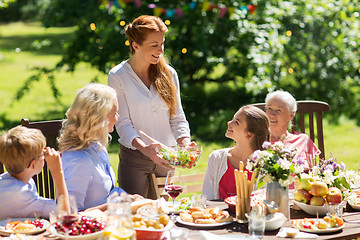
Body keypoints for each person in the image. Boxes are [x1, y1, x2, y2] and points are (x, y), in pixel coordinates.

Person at [108, 15, 193, 198]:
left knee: (164, 214)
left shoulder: (169, 74)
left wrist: (185, 144)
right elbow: (122, 124)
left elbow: (177, 116)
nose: (160, 50)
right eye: (154, 45)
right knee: (135, 214)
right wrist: (146, 150)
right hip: (134, 158)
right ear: (135, 46)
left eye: (162, 44)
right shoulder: (118, 76)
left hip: (166, 156)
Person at [58, 83, 127, 211]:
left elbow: (110, 191)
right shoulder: (79, 160)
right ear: (99, 118)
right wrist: (119, 204)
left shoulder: (96, 146)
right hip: (94, 228)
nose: (117, 118)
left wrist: (128, 198)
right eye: (115, 112)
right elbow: (71, 214)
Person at [0, 126, 69, 220]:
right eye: (42, 154)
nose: (45, 156)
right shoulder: (22, 194)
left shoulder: (5, 181)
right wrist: (58, 171)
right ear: (32, 165)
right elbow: (65, 215)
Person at [202, 105, 270, 200]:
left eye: (236, 122)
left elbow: (264, 202)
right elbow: (206, 198)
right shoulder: (216, 157)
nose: (229, 123)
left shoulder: (266, 165)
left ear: (249, 134)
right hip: (220, 214)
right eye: (232, 120)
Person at [265, 90, 320, 167]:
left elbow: (314, 173)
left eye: (278, 110)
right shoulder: (258, 141)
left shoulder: (303, 140)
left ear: (291, 115)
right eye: (269, 108)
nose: (272, 114)